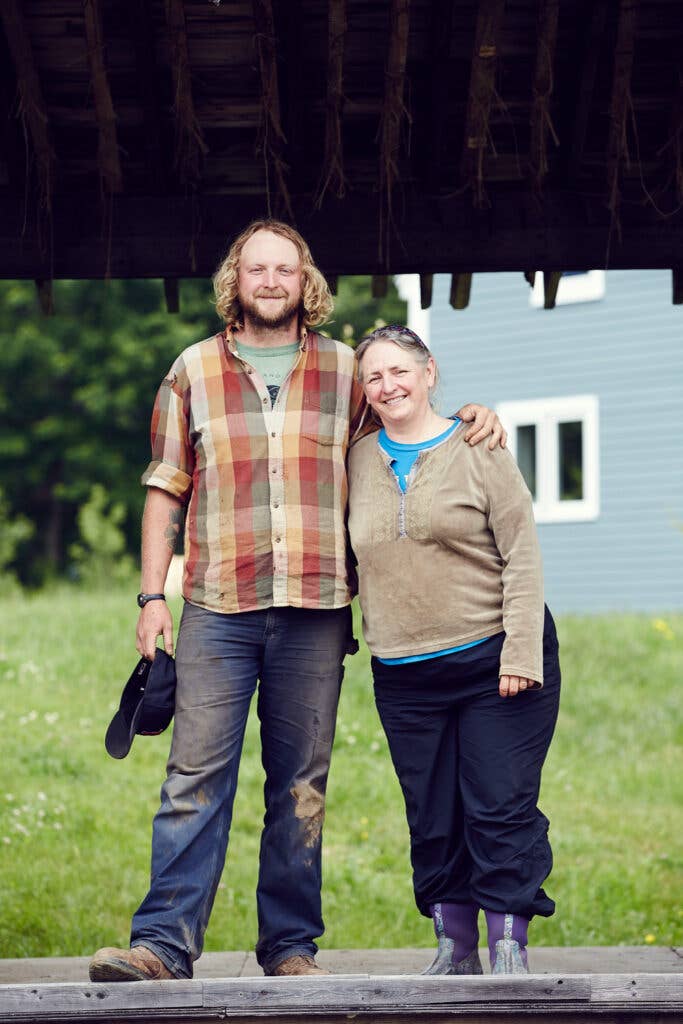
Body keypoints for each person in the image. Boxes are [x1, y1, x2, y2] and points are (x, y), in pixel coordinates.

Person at [89, 221, 505, 983]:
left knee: (301, 786)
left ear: (304, 280)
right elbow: (163, 486)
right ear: (235, 281)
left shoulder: (349, 371)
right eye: (257, 269)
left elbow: (407, 420)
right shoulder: (191, 371)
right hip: (217, 604)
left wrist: (471, 415)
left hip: (317, 609)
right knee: (193, 779)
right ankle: (162, 946)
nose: (272, 280)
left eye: (285, 268)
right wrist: (153, 596)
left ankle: (289, 949)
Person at [347, 324, 561, 975]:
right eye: (373, 378)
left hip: (495, 661)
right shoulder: (353, 460)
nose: (388, 386)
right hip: (403, 674)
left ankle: (506, 947)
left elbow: (522, 557)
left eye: (398, 371)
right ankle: (454, 946)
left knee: (497, 805)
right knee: (433, 816)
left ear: (429, 371)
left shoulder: (479, 445)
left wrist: (520, 653)